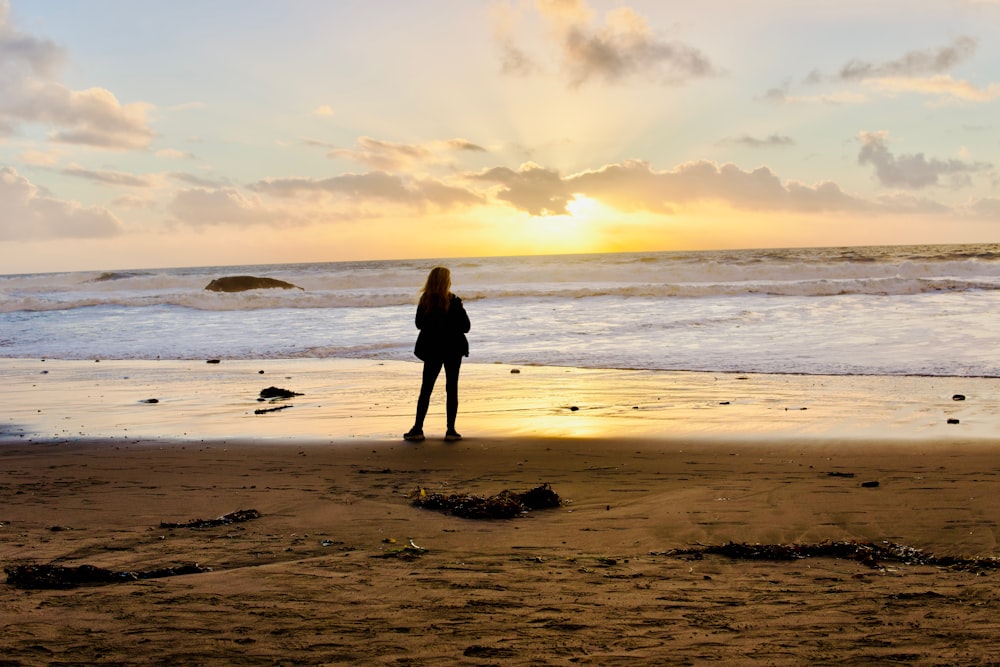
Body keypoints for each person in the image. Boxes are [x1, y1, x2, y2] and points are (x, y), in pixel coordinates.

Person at [404, 266, 471, 442]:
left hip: (433, 348)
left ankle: (418, 429)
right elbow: (466, 327)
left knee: (426, 389)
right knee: (451, 388)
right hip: (453, 348)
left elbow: (419, 324)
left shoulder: (425, 301)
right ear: (446, 281)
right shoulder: (454, 301)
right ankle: (450, 431)